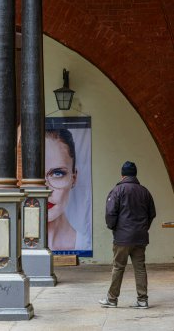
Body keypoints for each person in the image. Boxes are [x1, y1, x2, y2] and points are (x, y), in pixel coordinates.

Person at [99, 161, 156, 309]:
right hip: (140, 238)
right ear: (135, 174)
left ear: (122, 175)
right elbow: (152, 214)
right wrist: (143, 228)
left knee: (118, 267)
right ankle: (142, 300)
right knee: (140, 268)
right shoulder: (145, 191)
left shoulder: (117, 190)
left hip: (122, 238)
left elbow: (110, 214)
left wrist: (113, 228)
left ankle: (112, 299)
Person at [45, 128, 90, 251]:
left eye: (57, 173)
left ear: (73, 179)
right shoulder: (11, 247)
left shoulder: (85, 245)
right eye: (35, 176)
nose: (46, 190)